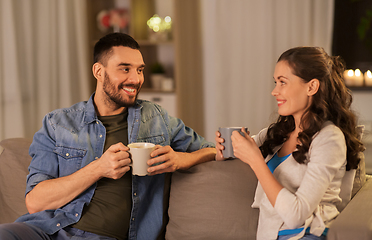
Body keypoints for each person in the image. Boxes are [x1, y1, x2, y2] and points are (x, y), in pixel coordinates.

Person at [0, 32, 216, 240]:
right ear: (98, 71)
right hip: (47, 229)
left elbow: (213, 150)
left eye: (140, 70)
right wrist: (99, 168)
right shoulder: (57, 124)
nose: (136, 79)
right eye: (125, 69)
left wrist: (181, 159)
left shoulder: (156, 118)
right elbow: (35, 202)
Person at [215, 47, 364, 240]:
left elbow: (296, 216)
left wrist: (256, 161)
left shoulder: (329, 138)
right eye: (275, 82)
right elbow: (241, 148)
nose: (274, 91)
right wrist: (221, 152)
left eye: (282, 83)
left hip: (307, 234)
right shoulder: (280, 132)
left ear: (311, 87)